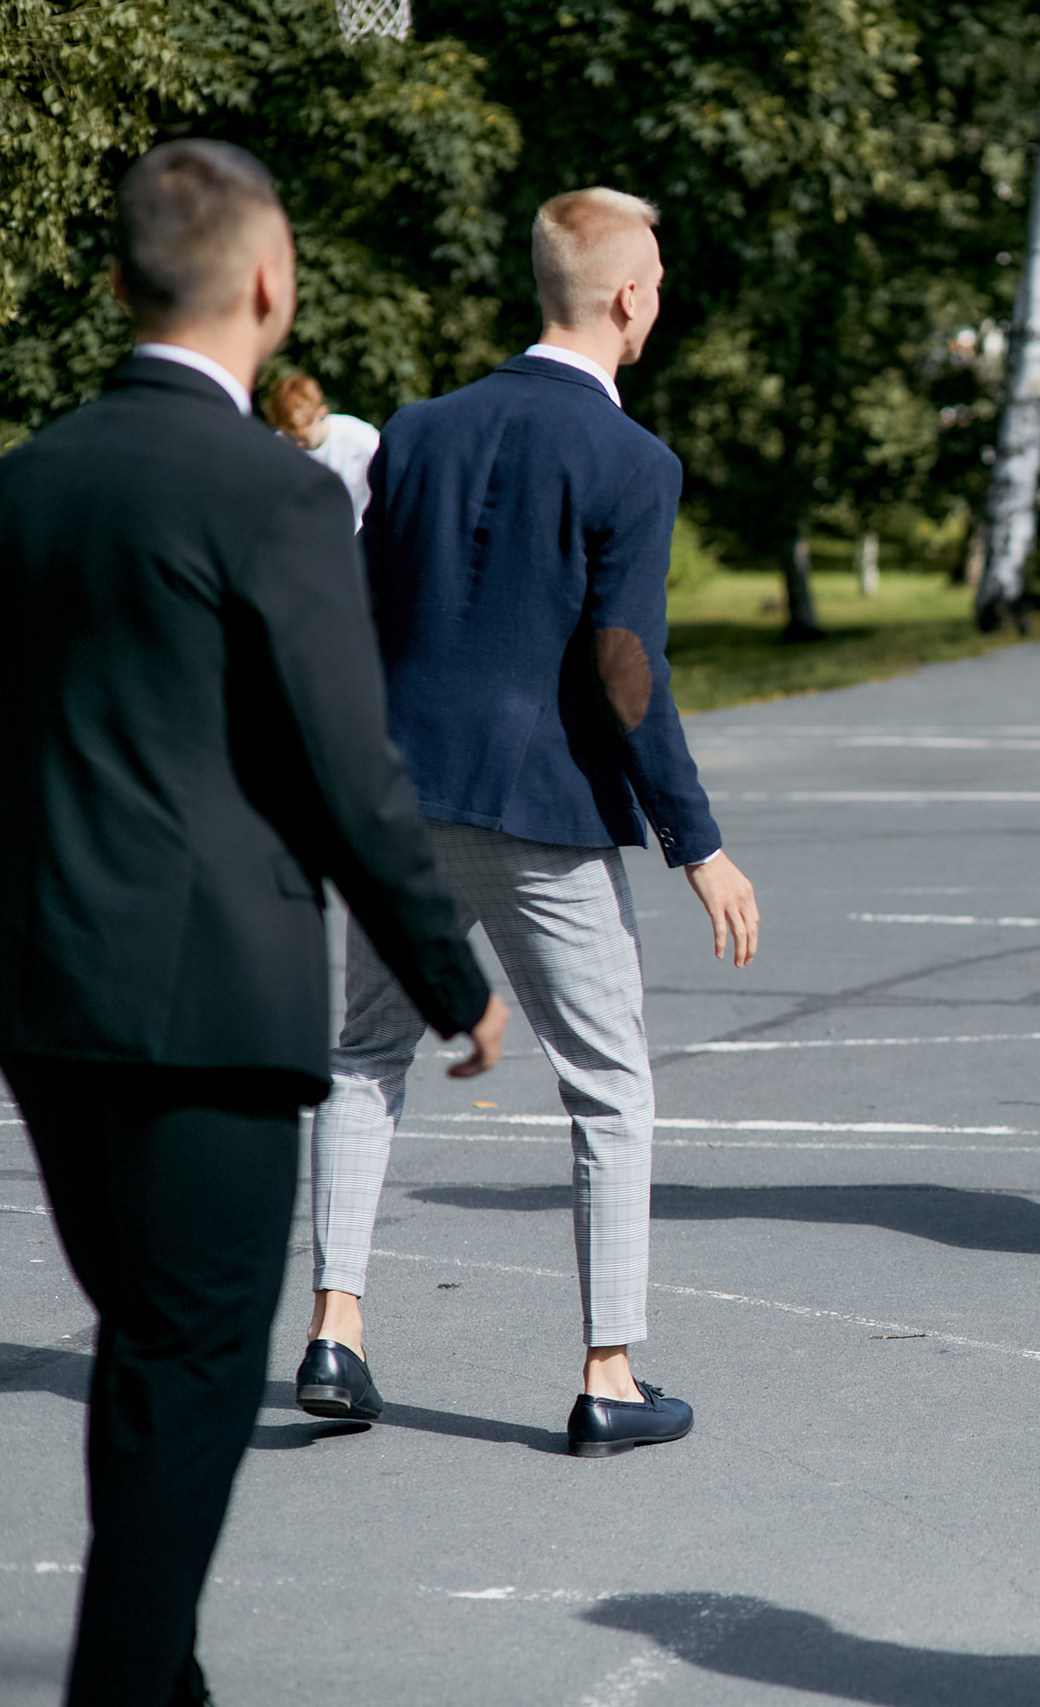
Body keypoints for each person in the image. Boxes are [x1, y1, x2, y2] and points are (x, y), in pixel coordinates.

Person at [0, 139, 504, 1706]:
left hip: (41, 997)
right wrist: (448, 975)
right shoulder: (276, 493)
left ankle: (167, 1677)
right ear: (271, 288)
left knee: (151, 1345)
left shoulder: (25, 480)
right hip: (208, 1005)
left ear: (116, 281)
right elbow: (347, 770)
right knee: (193, 1362)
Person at [301, 186, 759, 1458]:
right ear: (626, 299)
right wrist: (698, 841)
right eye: (656, 276)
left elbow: (370, 612)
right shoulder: (634, 459)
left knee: (364, 1054)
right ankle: (609, 1372)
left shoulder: (419, 429)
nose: (658, 293)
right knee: (608, 1086)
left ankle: (335, 1328)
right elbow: (626, 668)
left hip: (401, 806)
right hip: (545, 814)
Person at [262, 371, 379, 527]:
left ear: (321, 412)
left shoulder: (361, 439)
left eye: (303, 438)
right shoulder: (276, 447)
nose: (297, 445)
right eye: (291, 437)